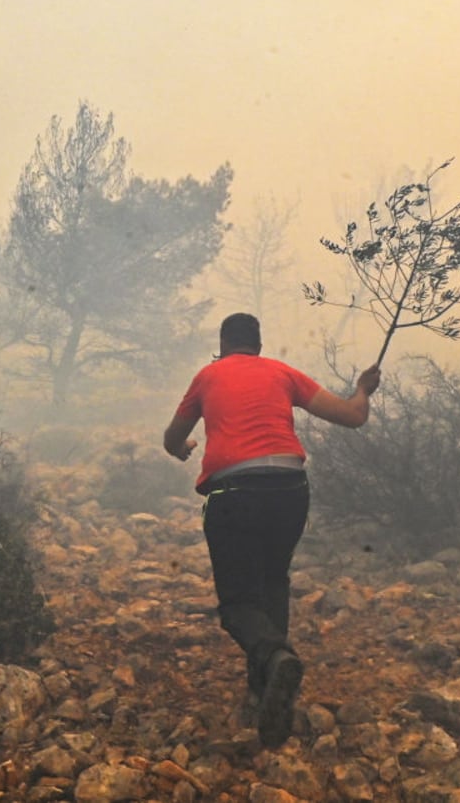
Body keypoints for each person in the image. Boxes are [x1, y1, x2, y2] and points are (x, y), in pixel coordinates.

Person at [162, 313, 380, 747]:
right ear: (258, 346)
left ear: (223, 345)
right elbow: (354, 416)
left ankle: (275, 657)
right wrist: (363, 389)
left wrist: (185, 449)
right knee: (272, 582)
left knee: (239, 603)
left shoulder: (208, 376)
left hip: (234, 493)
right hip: (289, 490)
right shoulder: (282, 373)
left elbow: (172, 438)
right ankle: (266, 695)